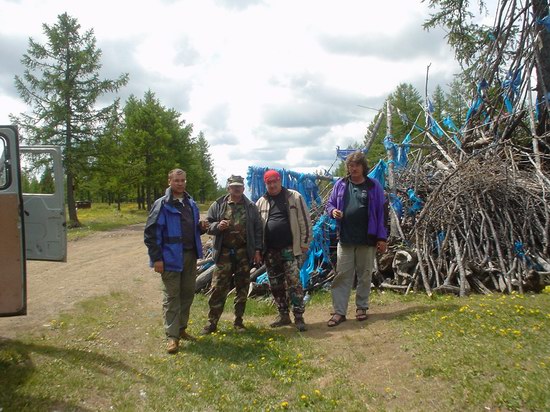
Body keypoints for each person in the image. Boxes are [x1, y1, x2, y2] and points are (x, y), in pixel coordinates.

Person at [144, 168, 209, 353]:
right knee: (172, 297)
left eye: (183, 180)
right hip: (169, 258)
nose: (180, 183)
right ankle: (172, 337)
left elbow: (191, 229)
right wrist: (156, 259)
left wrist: (201, 227)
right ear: (170, 181)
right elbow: (151, 234)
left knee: (187, 293)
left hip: (190, 256)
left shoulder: (190, 203)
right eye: (176, 180)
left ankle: (181, 330)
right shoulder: (161, 204)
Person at [325, 151, 388, 327]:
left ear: (363, 167)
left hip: (367, 238)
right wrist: (333, 211)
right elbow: (329, 204)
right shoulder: (341, 184)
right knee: (342, 275)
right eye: (350, 165)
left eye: (356, 165)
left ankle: (362, 307)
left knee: (365, 274)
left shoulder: (373, 186)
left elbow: (382, 213)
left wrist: (382, 238)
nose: (353, 168)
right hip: (345, 237)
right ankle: (339, 312)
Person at [201, 175, 263, 334]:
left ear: (243, 188)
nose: (236, 189)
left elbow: (258, 229)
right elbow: (207, 226)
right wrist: (217, 226)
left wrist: (257, 250)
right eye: (233, 186)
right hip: (224, 253)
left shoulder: (251, 206)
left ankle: (238, 321)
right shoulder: (218, 205)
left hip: (244, 252)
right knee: (218, 288)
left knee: (242, 288)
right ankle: (212, 322)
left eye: (239, 186)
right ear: (228, 188)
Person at [256, 170, 312, 332]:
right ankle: (283, 315)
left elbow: (305, 220)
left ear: (279, 180)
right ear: (266, 184)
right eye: (269, 182)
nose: (272, 185)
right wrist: (259, 249)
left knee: (294, 283)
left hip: (290, 248)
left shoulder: (294, 197)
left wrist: (305, 242)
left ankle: (299, 316)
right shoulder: (261, 202)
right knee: (276, 285)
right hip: (270, 251)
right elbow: (258, 228)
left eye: (274, 181)